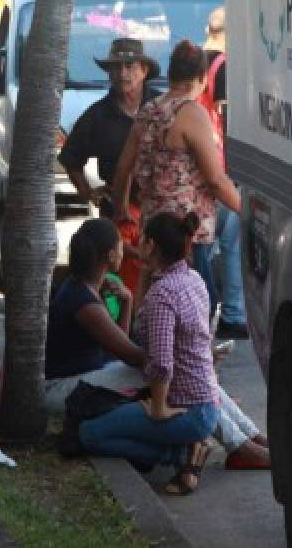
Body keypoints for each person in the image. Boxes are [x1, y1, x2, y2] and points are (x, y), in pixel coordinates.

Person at [45, 218, 270, 471]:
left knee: (188, 374)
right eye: (121, 245)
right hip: (62, 388)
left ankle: (248, 437)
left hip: (89, 377)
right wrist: (192, 358)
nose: (127, 249)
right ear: (110, 255)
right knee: (182, 374)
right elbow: (132, 355)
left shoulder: (88, 288)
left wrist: (128, 302)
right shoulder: (83, 300)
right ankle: (241, 445)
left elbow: (120, 347)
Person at [78, 212, 222, 495]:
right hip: (206, 405)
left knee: (88, 433)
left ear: (151, 244)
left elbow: (161, 363)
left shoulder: (164, 294)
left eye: (141, 237)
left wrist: (158, 408)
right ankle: (182, 448)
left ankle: (179, 456)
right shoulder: (192, 279)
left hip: (186, 410)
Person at [112, 40, 241, 310]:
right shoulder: (192, 113)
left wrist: (121, 208)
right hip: (186, 232)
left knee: (153, 299)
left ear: (170, 75)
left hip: (153, 226)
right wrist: (244, 208)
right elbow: (216, 180)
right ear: (202, 78)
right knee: (197, 303)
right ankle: (187, 353)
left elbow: (123, 167)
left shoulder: (149, 110)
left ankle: (153, 349)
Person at [59, 37, 160, 291]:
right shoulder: (98, 115)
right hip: (118, 215)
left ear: (144, 70)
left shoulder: (162, 107)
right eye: (116, 67)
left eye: (129, 66)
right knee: (121, 285)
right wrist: (88, 192)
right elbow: (71, 157)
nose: (122, 73)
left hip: (159, 210)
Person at [197, 7, 248, 338]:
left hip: (197, 166)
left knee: (200, 245)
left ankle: (203, 313)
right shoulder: (224, 66)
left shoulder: (196, 61)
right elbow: (228, 121)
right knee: (230, 244)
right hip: (222, 168)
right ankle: (232, 313)